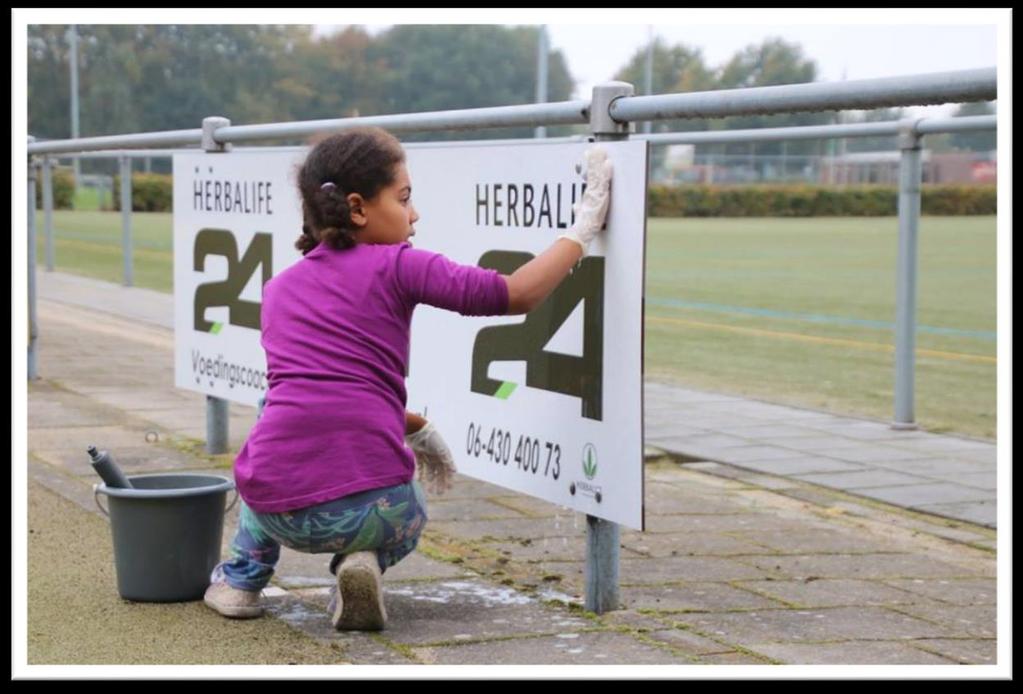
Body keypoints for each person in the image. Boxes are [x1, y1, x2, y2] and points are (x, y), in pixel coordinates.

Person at [203, 127, 613, 631]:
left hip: (275, 511)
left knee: (271, 414)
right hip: (377, 514)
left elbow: (318, 394)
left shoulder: (279, 288)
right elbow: (519, 295)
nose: (414, 214)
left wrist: (413, 423)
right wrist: (584, 226)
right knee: (412, 505)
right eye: (404, 198)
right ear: (357, 209)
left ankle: (241, 582)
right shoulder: (399, 265)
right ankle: (362, 564)